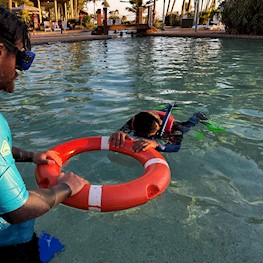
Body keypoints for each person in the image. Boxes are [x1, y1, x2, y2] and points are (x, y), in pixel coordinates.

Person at [0, 7, 86, 262]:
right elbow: (20, 210)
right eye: (22, 58)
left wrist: (33, 155)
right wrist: (67, 187)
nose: (21, 70)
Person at [109, 106, 208, 153]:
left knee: (188, 126)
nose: (148, 137)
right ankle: (164, 109)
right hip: (152, 120)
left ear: (160, 128)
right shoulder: (135, 121)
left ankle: (197, 116)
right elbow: (122, 131)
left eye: (150, 135)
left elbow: (175, 147)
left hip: (169, 128)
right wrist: (120, 132)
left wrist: (156, 144)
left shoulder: (175, 128)